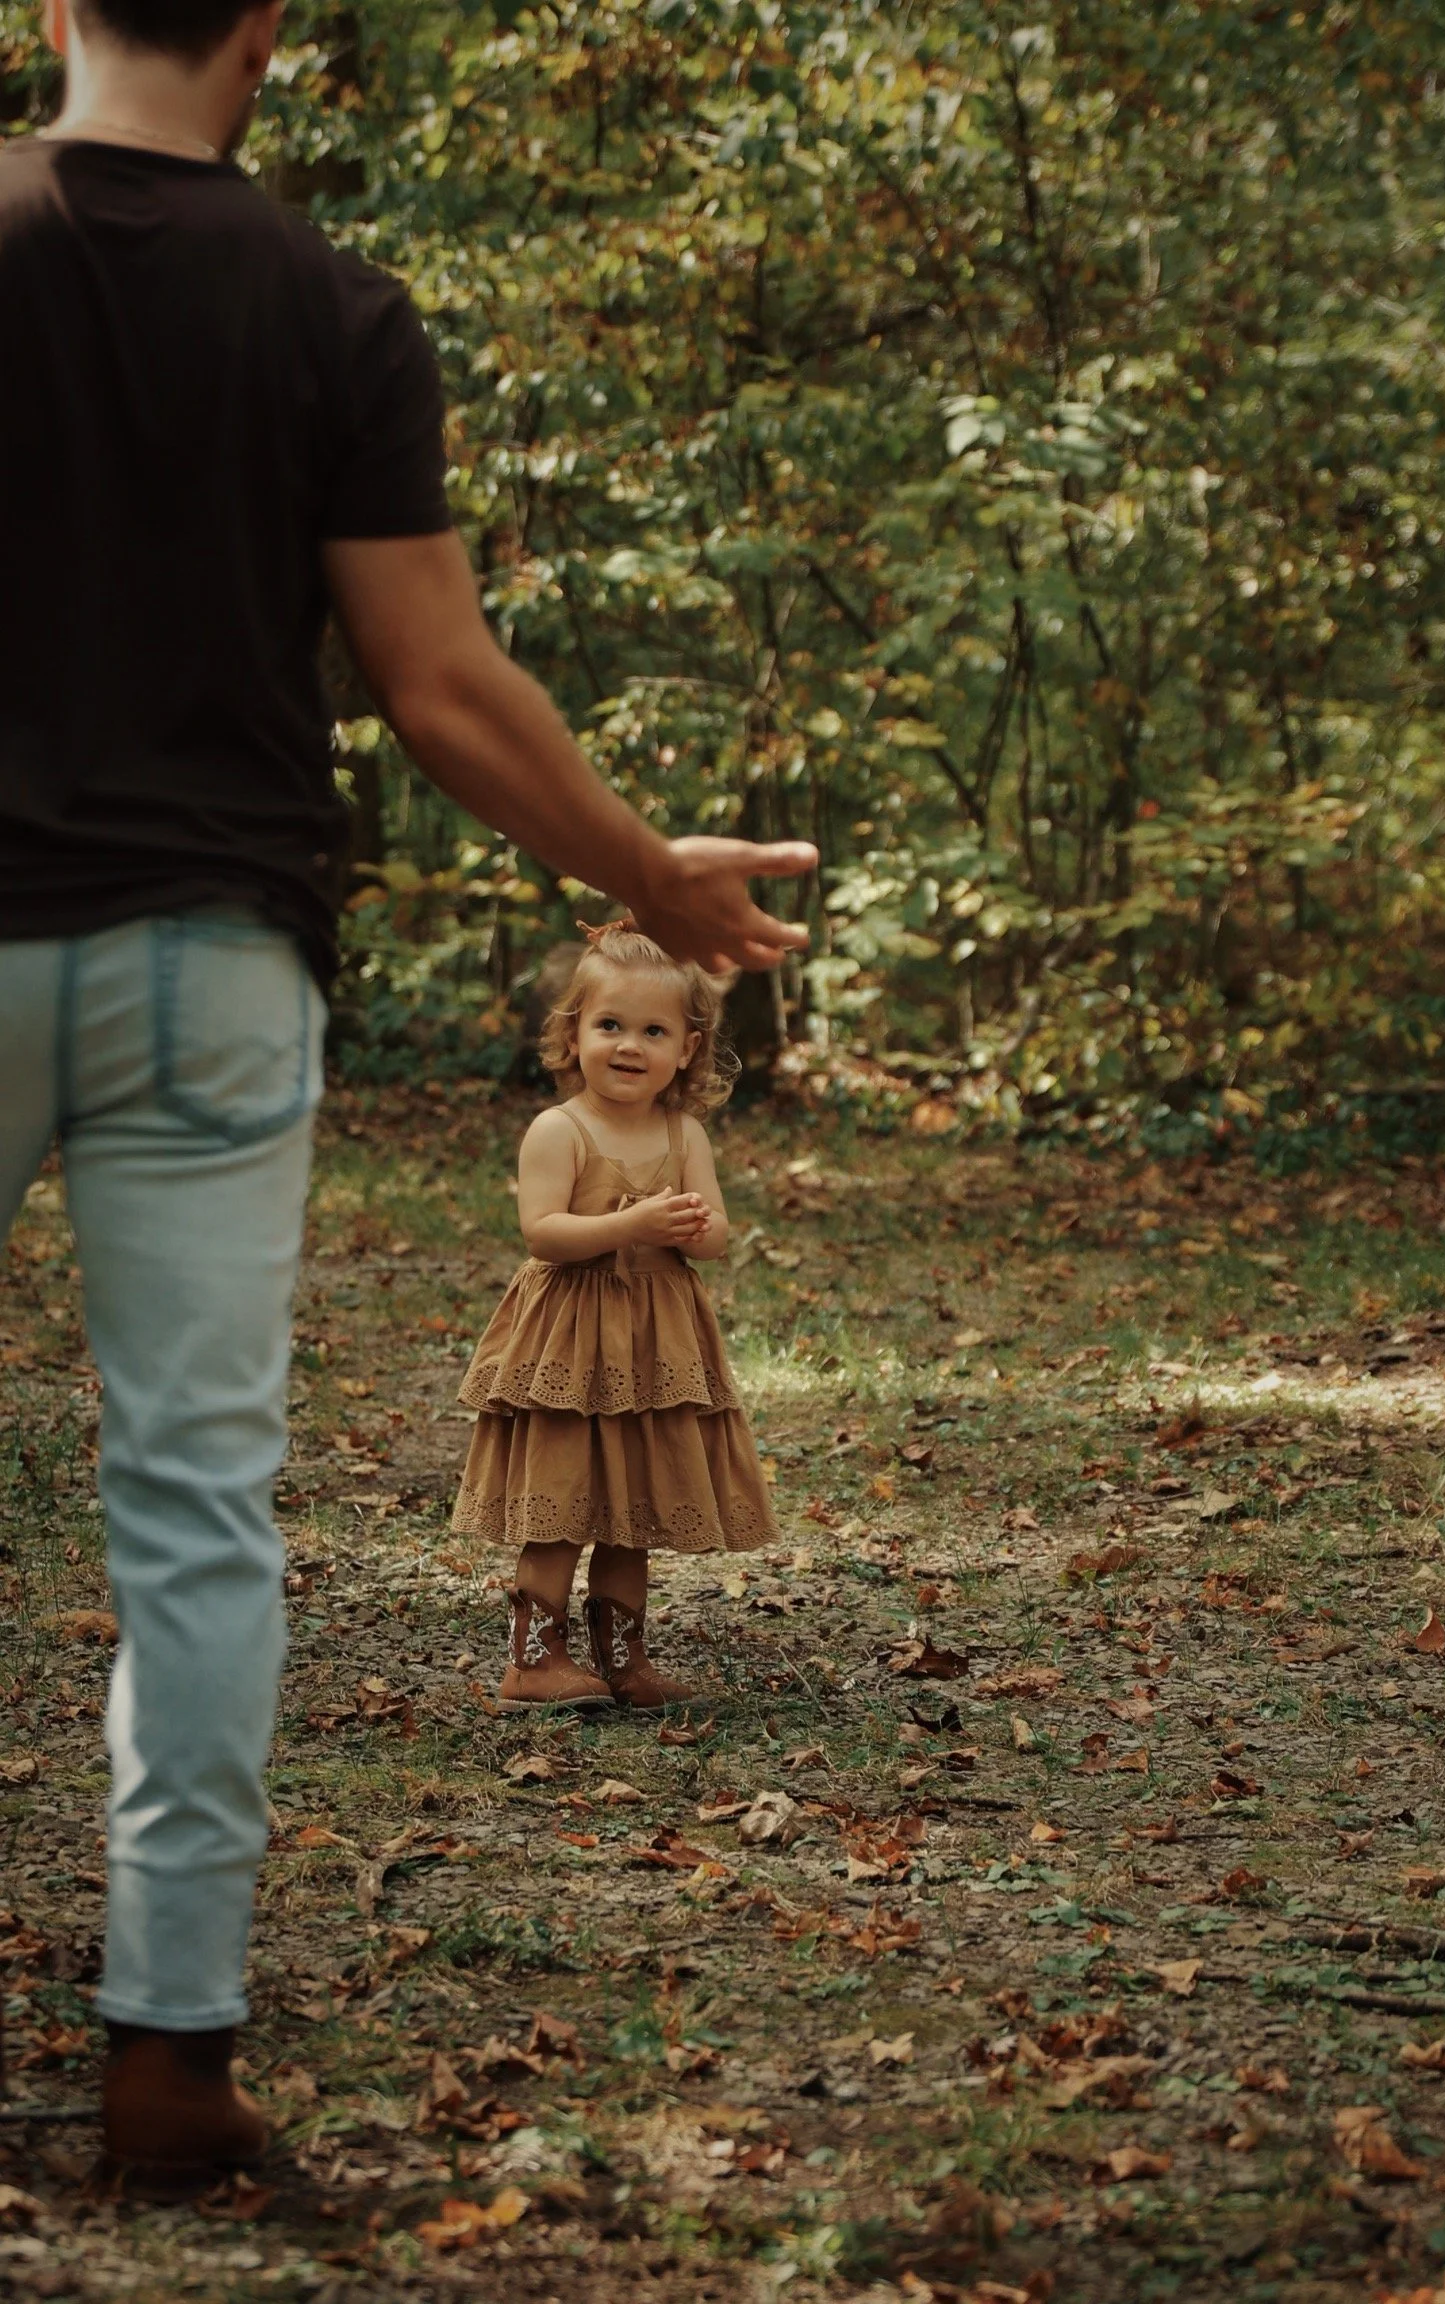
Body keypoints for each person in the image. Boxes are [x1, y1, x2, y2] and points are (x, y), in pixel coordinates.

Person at [0, 0, 814, 2190]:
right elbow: (440, 682)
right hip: (216, 963)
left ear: (55, 7)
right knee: (192, 1499)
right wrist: (651, 873)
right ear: (263, 28)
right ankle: (169, 2051)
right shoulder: (329, 306)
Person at [451, 923, 778, 1711]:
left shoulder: (683, 1133)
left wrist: (695, 1229)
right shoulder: (559, 1130)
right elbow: (544, 1233)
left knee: (632, 1503)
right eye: (610, 1026)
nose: (630, 1046)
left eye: (653, 1031)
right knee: (562, 1498)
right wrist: (628, 1227)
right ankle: (533, 1660)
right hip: (569, 1344)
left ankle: (623, 1658)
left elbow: (719, 1237)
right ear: (574, 1033)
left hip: (653, 1343)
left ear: (688, 1048)